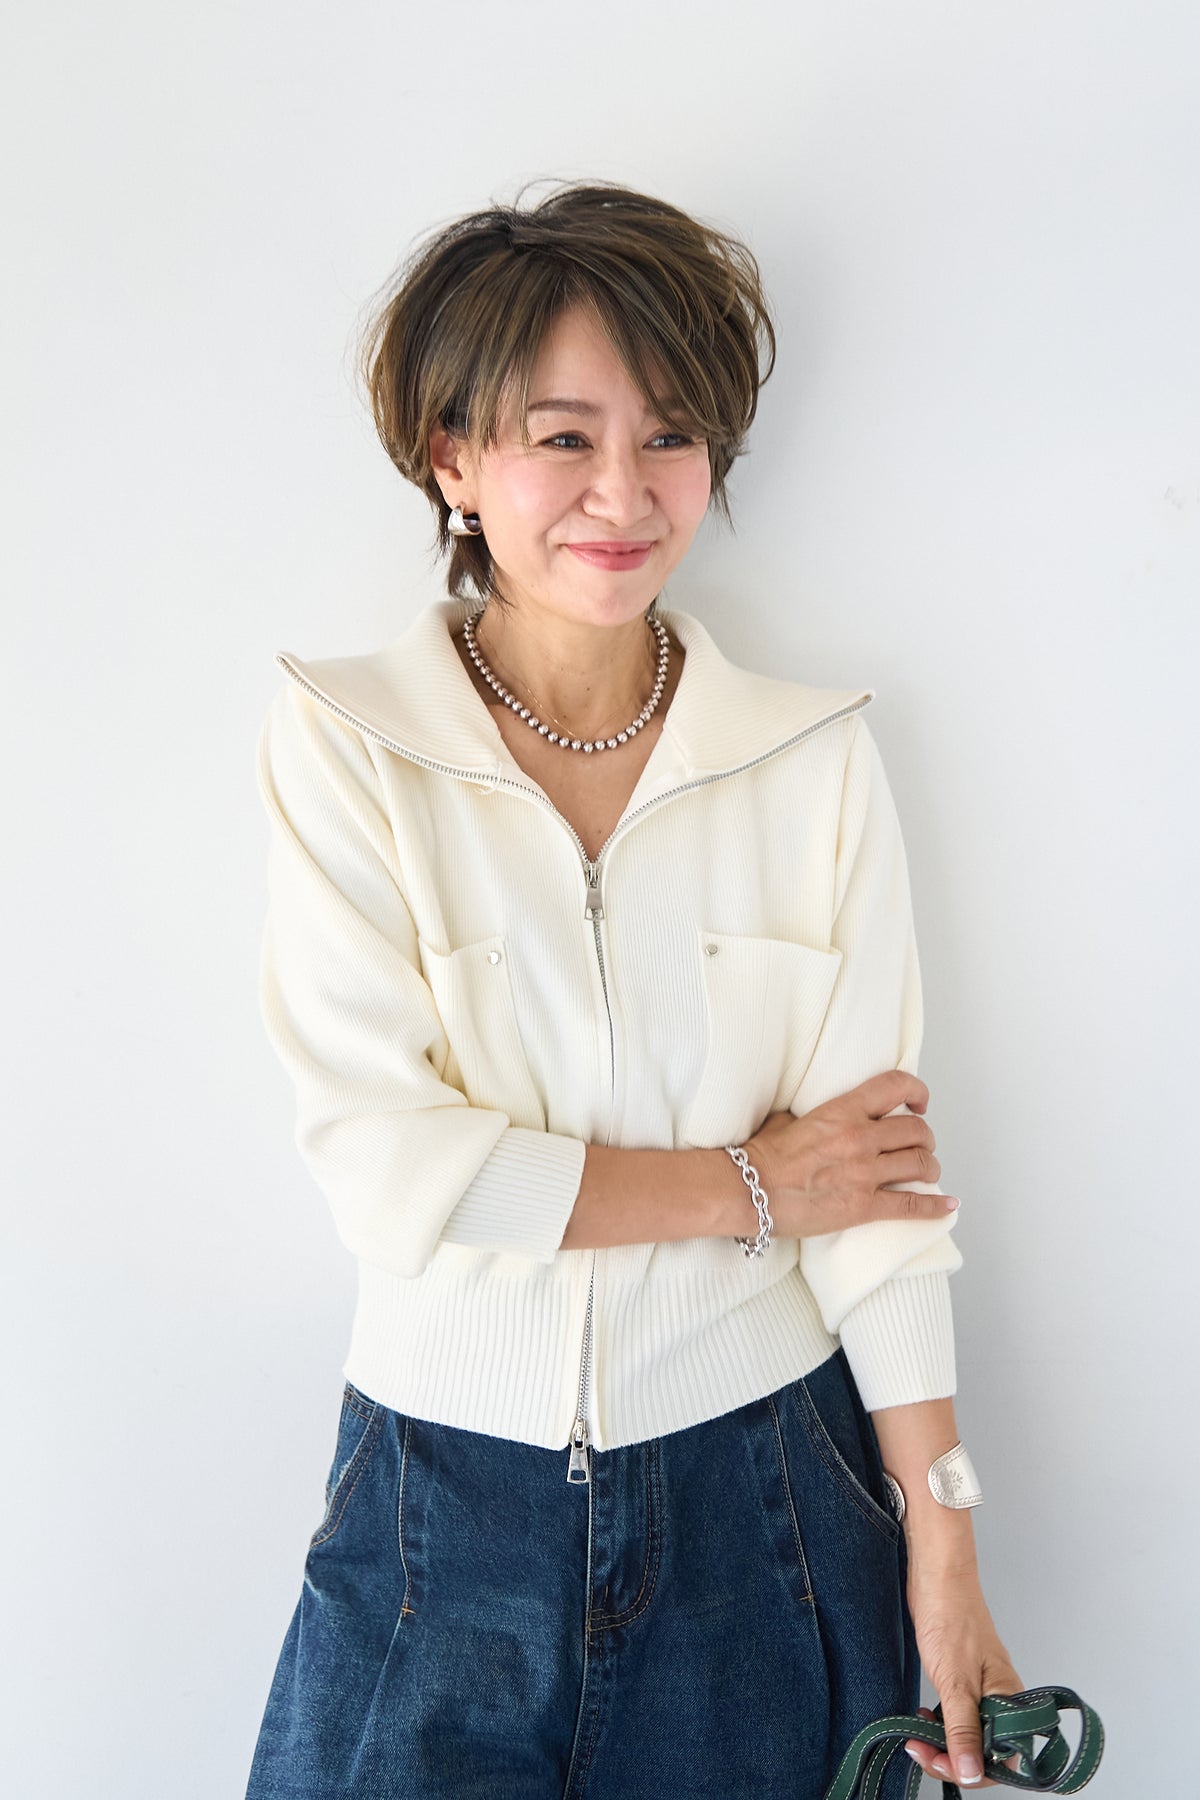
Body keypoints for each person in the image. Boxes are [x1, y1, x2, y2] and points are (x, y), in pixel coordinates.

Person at [245, 180, 1020, 1799]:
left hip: (770, 1505)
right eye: (563, 435)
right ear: (452, 459)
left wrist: (944, 1553)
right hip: (434, 1508)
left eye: (670, 435)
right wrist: (757, 1183)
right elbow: (393, 1173)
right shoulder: (348, 742)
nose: (624, 490)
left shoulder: (812, 759)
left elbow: (876, 1196)